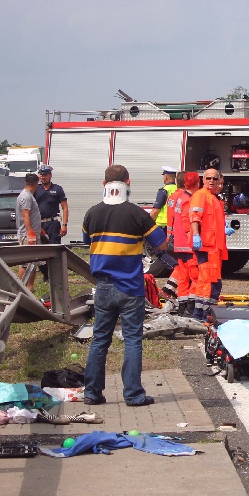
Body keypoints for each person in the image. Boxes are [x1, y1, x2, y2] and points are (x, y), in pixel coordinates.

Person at [82, 164, 166, 407]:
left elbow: (87, 241)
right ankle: (133, 394)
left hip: (103, 286)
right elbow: (161, 244)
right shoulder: (137, 214)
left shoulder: (92, 213)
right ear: (128, 183)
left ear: (104, 184)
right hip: (130, 286)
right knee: (132, 340)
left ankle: (92, 393)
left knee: (100, 340)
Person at [190, 169, 229, 321]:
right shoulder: (201, 196)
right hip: (206, 246)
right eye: (208, 178)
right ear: (203, 180)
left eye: (214, 178)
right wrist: (196, 235)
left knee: (211, 282)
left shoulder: (213, 198)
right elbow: (195, 217)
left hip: (214, 247)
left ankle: (204, 313)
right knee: (207, 282)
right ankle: (203, 314)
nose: (211, 181)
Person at [168, 171, 200, 316]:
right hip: (188, 246)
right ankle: (190, 309)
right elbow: (188, 223)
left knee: (183, 278)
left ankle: (182, 307)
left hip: (180, 245)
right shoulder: (188, 200)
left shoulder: (180, 198)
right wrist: (194, 238)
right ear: (197, 184)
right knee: (195, 278)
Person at [160, 171, 187, 301]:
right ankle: (169, 290)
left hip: (172, 235)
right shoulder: (183, 197)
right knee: (185, 266)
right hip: (181, 237)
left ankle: (168, 289)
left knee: (181, 266)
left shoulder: (173, 196)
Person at [16, 173, 42, 291]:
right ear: (36, 184)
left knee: (33, 262)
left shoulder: (28, 195)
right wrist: (30, 232)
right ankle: (23, 287)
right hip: (27, 235)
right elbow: (25, 215)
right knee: (25, 263)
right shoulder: (26, 196)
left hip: (32, 234)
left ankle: (30, 287)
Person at [34, 164, 68, 244]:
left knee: (54, 247)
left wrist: (64, 225)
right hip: (39, 224)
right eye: (41, 175)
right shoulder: (36, 189)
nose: (43, 177)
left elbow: (65, 207)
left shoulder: (57, 189)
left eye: (45, 175)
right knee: (39, 248)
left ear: (50, 175)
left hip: (53, 224)